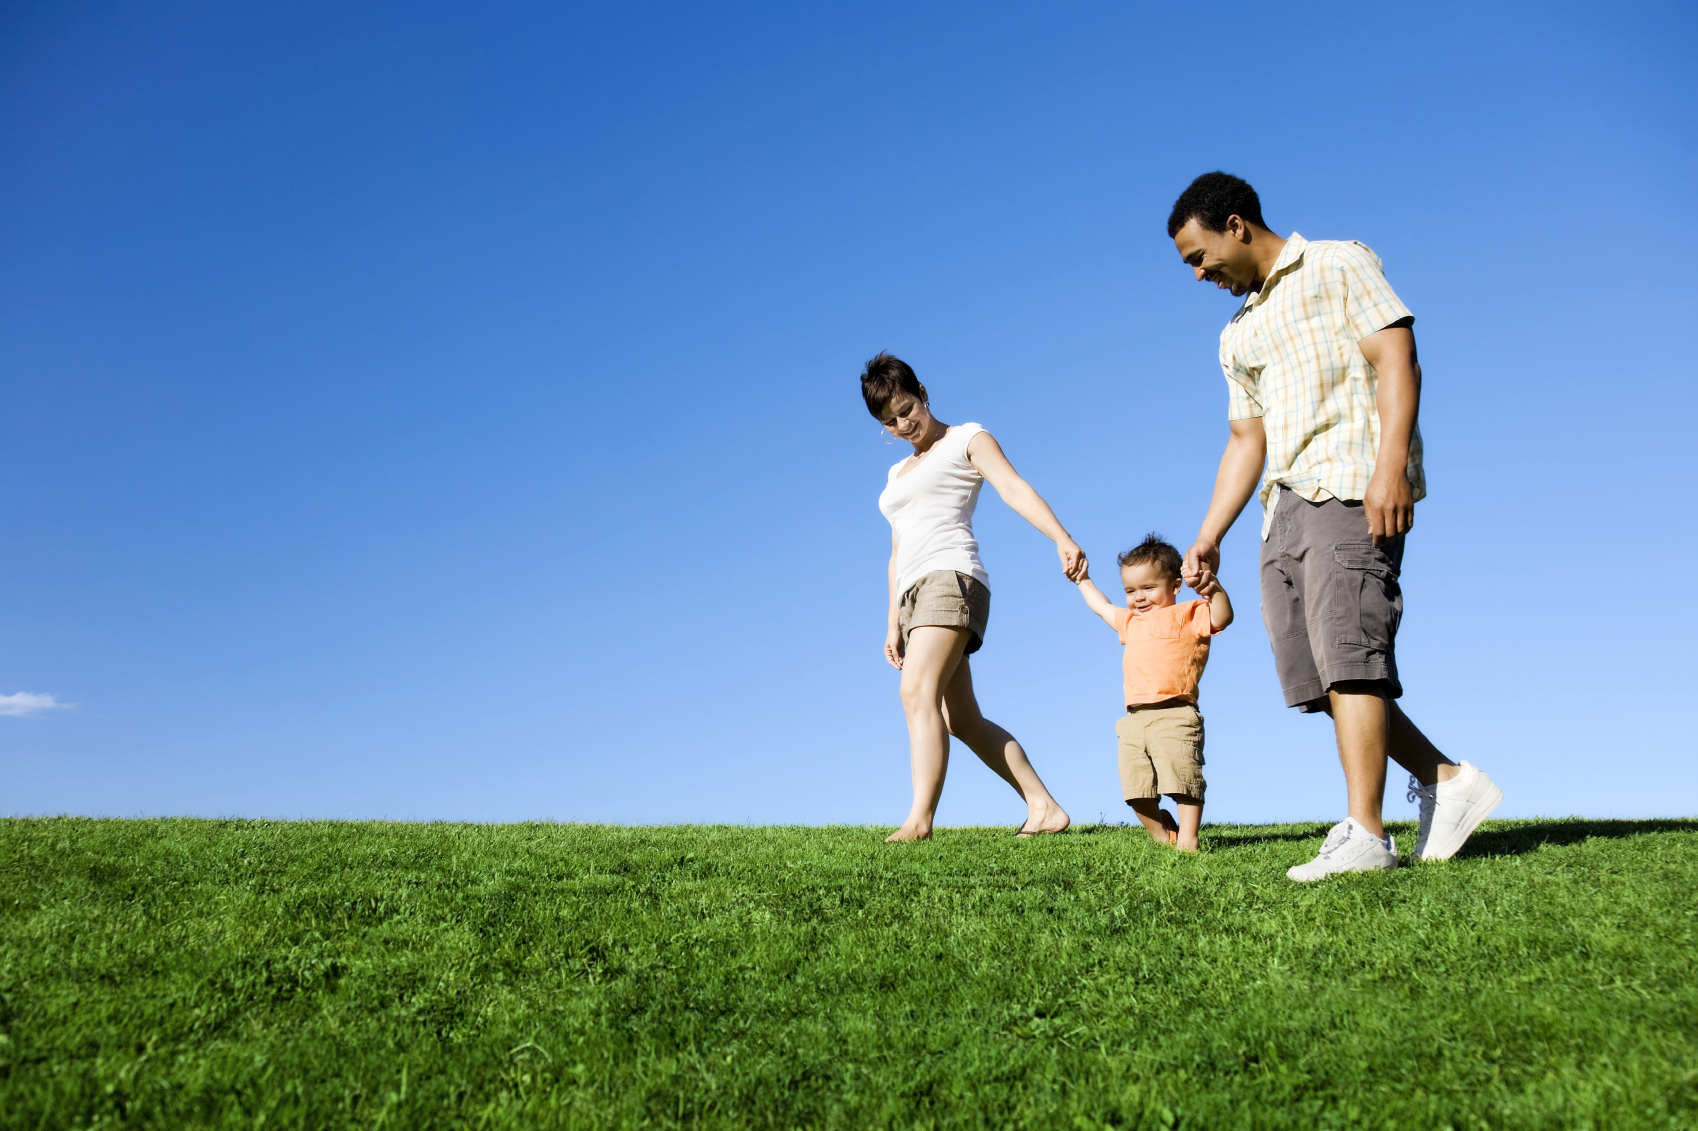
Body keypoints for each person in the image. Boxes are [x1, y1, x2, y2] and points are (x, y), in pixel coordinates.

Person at [1165, 171, 1503, 881]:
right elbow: (1244, 442)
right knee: (1318, 677)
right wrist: (1209, 533)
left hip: (1349, 483)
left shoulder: (1337, 261)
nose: (1198, 275)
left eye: (1198, 257)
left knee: (1352, 653)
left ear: (1236, 224)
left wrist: (1389, 469)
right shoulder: (1236, 333)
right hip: (1280, 509)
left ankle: (1365, 834)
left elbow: (1396, 358)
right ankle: (1445, 778)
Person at [865, 352, 1078, 842]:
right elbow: (897, 551)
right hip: (915, 592)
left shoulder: (966, 438)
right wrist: (893, 622)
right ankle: (1044, 807)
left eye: (906, 410)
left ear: (923, 394)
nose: (902, 424)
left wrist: (1061, 538)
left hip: (952, 576)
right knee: (961, 719)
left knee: (916, 693)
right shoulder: (896, 475)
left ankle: (919, 821)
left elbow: (1013, 488)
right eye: (889, 422)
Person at [1074, 534, 1232, 853]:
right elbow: (1102, 606)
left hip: (1175, 713)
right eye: (1131, 591)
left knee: (1182, 780)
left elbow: (1222, 617)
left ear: (1175, 586)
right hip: (1133, 720)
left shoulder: (1191, 613)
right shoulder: (1130, 622)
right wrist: (1083, 579)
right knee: (1136, 790)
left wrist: (1213, 589)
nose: (1139, 597)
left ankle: (1188, 839)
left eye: (1148, 588)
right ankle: (1164, 836)